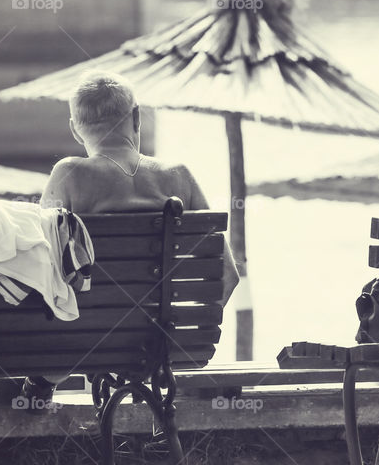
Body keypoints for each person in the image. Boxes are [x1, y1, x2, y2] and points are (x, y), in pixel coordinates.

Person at [20, 72, 240, 406]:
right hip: (160, 345)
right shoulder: (179, 176)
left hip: (87, 340)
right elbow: (227, 276)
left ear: (74, 128)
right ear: (137, 117)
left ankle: (42, 382)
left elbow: (39, 264)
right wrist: (172, 332)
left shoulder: (69, 174)